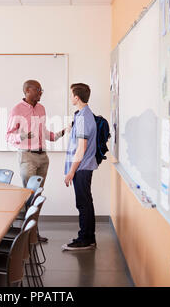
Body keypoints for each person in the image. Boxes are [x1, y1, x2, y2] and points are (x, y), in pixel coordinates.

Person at [6, 80, 68, 242]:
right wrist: (21, 136)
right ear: (27, 91)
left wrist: (60, 134)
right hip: (27, 156)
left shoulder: (41, 108)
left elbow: (45, 132)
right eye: (38, 90)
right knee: (30, 194)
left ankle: (33, 233)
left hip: (43, 157)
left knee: (38, 196)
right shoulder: (17, 110)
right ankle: (27, 235)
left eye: (41, 90)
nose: (41, 93)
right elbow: (8, 136)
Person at [62, 83, 98, 251]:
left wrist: (71, 172)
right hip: (84, 167)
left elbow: (81, 148)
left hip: (81, 168)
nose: (70, 98)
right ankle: (88, 237)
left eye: (71, 95)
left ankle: (85, 239)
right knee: (85, 203)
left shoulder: (83, 117)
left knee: (83, 204)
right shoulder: (83, 115)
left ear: (77, 97)